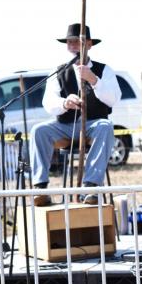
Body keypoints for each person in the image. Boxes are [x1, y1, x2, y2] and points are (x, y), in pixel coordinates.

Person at [30, 23, 122, 206]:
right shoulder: (59, 71)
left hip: (93, 124)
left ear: (89, 44)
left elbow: (114, 99)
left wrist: (94, 80)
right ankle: (40, 187)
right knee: (39, 130)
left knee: (105, 126)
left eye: (77, 42)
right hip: (65, 126)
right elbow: (48, 102)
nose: (73, 47)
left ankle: (91, 187)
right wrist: (64, 103)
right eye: (70, 43)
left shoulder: (104, 70)